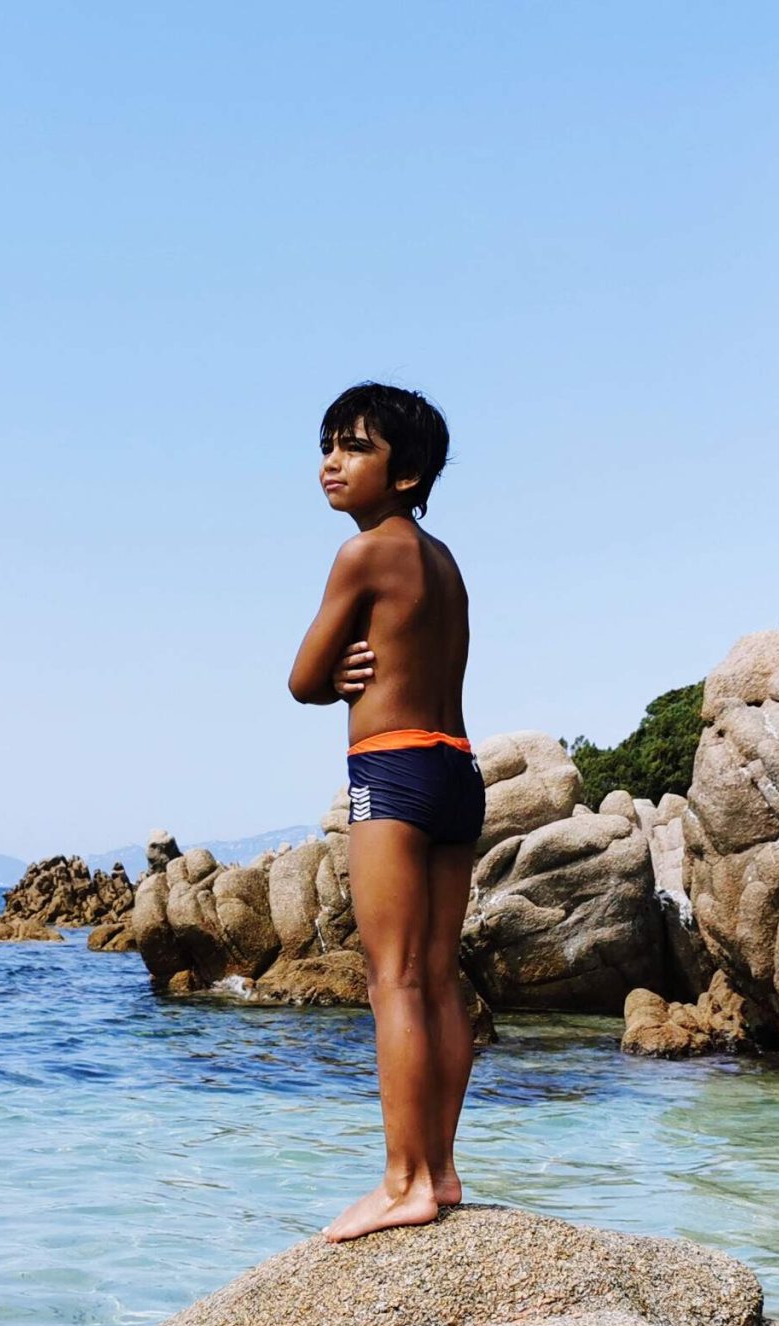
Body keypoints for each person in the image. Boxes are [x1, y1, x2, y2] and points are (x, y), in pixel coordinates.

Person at [286, 383, 480, 1243]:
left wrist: (333, 679)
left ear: (405, 474)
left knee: (391, 979)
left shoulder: (362, 555)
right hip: (456, 768)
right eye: (328, 445)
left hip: (392, 770)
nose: (331, 463)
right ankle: (440, 1168)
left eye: (354, 447)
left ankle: (403, 1181)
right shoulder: (444, 562)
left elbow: (300, 680)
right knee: (438, 977)